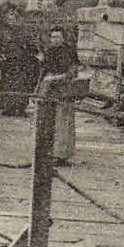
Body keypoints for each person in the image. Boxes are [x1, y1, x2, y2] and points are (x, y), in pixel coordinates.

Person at [41, 26, 80, 163]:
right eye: (52, 37)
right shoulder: (50, 51)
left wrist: (55, 78)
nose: (55, 40)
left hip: (63, 89)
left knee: (63, 121)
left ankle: (61, 154)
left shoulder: (68, 51)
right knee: (49, 120)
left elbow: (72, 71)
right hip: (50, 89)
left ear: (63, 38)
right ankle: (50, 151)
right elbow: (44, 70)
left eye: (58, 37)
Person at [0, 9, 40, 118]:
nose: (12, 20)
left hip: (23, 63)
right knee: (8, 84)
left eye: (15, 18)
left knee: (22, 85)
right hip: (9, 62)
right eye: (10, 18)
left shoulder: (26, 32)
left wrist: (27, 48)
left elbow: (34, 48)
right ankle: (8, 107)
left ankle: (20, 107)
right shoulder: (3, 32)